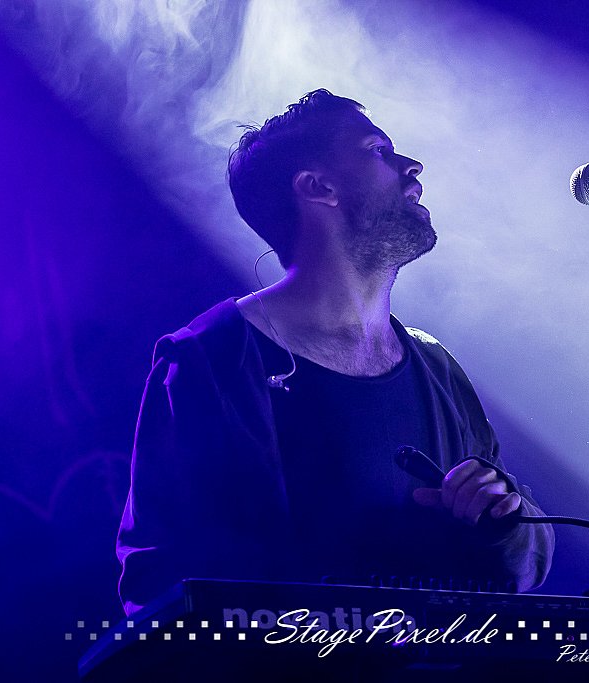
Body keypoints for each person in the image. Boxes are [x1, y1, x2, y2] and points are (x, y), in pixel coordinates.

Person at [116, 89, 554, 616]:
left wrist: (501, 521)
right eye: (377, 150)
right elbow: (158, 581)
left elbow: (525, 562)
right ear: (318, 187)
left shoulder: (435, 365)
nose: (411, 166)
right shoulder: (210, 360)